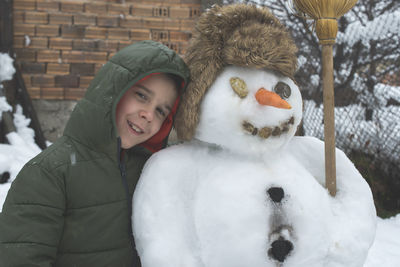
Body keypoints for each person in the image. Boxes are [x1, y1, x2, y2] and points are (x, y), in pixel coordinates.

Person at [0, 40, 189, 266]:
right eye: (141, 96)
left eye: (160, 111)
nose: (148, 114)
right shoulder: (49, 173)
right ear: (113, 90)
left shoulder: (151, 171)